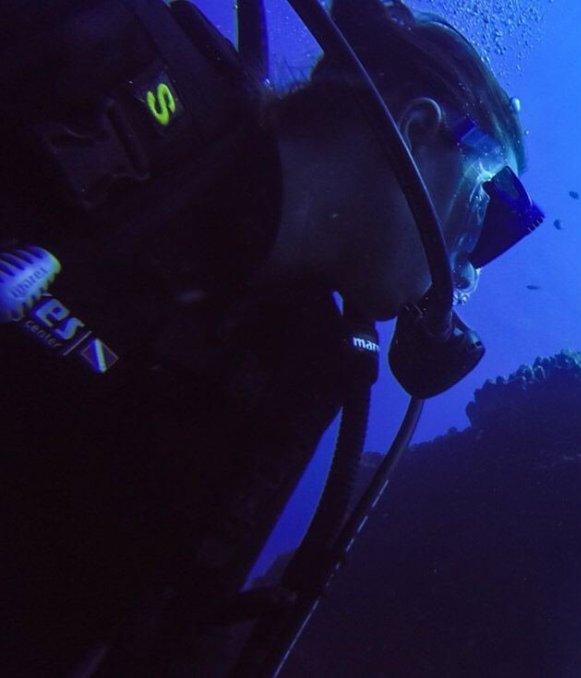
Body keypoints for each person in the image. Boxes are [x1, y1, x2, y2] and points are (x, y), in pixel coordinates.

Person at [0, 0, 540, 674]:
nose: (464, 276)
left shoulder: (294, 374)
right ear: (418, 127)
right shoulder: (99, 59)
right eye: (483, 216)